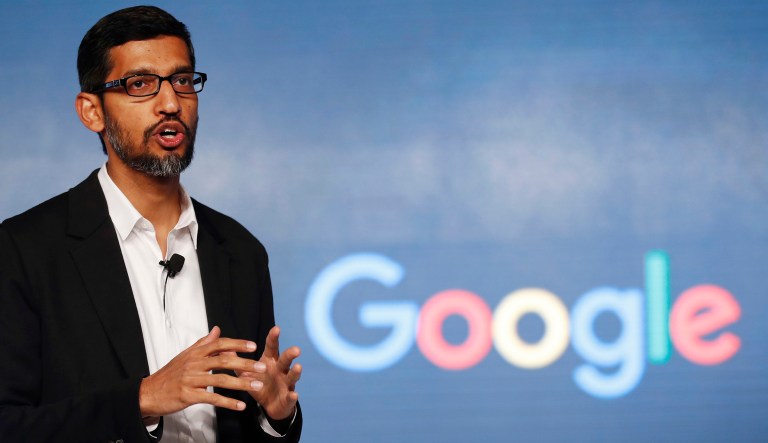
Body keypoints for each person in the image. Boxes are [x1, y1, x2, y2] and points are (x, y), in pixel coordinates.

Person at [0, 6, 302, 442]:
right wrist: (141, 399)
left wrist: (274, 417)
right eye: (139, 84)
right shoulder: (23, 250)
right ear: (91, 112)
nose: (170, 104)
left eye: (183, 81)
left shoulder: (239, 250)